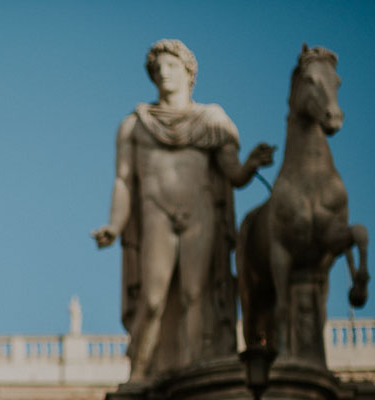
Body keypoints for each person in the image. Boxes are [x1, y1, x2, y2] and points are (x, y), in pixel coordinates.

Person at [92, 39, 274, 379]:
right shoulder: (135, 124)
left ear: (189, 73)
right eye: (158, 67)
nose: (164, 72)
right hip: (155, 213)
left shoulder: (213, 119)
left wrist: (252, 163)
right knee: (153, 298)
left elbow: (233, 174)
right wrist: (115, 226)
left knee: (197, 293)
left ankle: (196, 371)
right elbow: (124, 181)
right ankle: (140, 373)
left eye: (172, 65)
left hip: (200, 211)